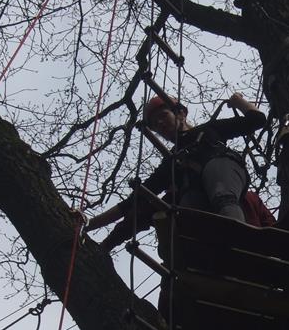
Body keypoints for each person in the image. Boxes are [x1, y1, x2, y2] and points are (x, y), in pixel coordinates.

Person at [86, 92, 270, 252]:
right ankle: (205, 255)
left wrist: (238, 101)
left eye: (163, 115)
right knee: (173, 205)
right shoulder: (171, 163)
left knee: (219, 186)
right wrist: (87, 225)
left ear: (180, 113)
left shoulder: (208, 131)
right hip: (197, 198)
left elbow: (257, 120)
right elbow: (131, 203)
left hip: (223, 172)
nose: (160, 123)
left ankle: (238, 240)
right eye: (155, 124)